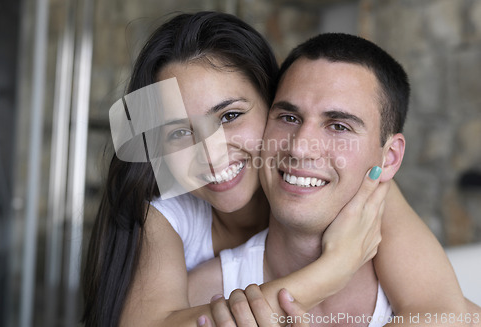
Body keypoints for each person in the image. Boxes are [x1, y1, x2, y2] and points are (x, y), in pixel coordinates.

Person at [81, 12, 468, 327]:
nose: (212, 154)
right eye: (180, 132)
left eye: (230, 115)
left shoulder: (362, 186)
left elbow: (449, 313)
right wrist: (332, 270)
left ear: (271, 105)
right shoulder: (165, 214)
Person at [189, 33, 476, 327]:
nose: (300, 148)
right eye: (289, 117)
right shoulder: (202, 297)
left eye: (338, 126)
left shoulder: (440, 308)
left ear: (388, 158)